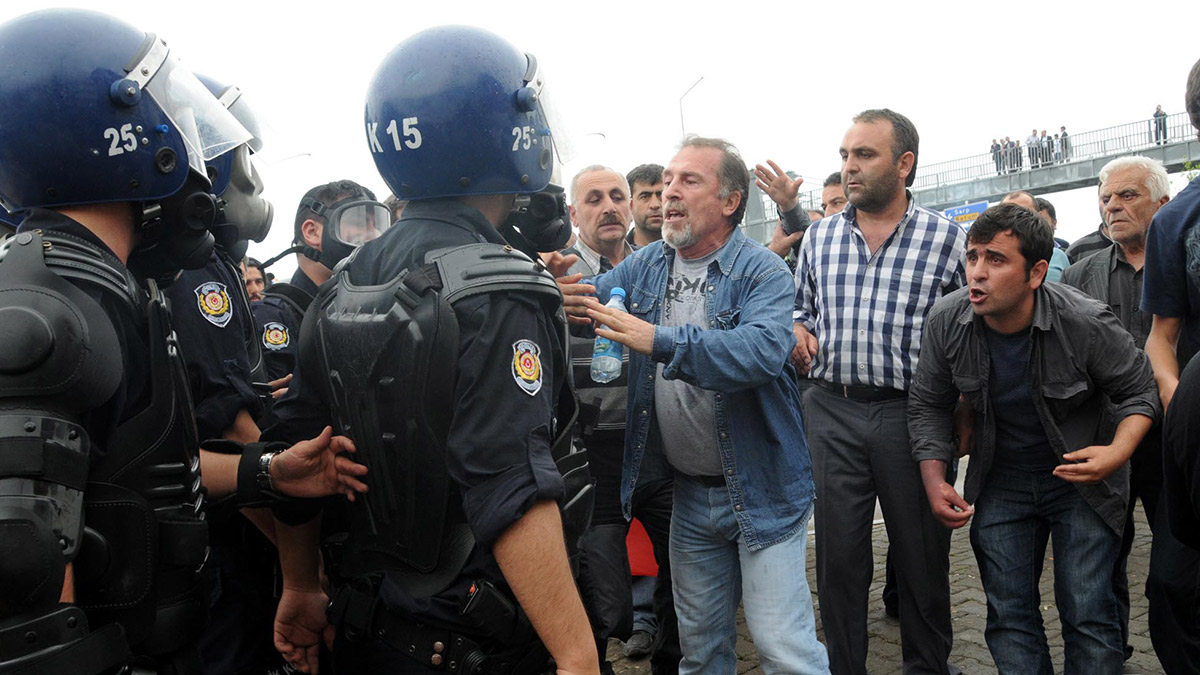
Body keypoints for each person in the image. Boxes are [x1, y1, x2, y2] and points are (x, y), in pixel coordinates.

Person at [0, 10, 365, 675]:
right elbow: (23, 555)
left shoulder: (110, 283)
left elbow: (132, 477)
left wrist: (267, 470)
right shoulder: (45, 310)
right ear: (111, 128)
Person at [266, 25, 598, 675]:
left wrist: (300, 584)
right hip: (477, 639)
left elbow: (297, 459)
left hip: (366, 632)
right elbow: (509, 482)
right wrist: (577, 653)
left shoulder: (338, 287)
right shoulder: (502, 286)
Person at [560, 136, 829, 674]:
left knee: (783, 649)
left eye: (688, 181)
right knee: (700, 653)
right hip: (690, 498)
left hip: (763, 490)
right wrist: (556, 288)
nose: (668, 194)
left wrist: (656, 339)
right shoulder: (650, 265)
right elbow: (592, 297)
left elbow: (758, 352)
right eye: (667, 181)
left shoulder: (762, 271)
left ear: (730, 202)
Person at [909, 202, 1159, 675]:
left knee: (1088, 614)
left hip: (1082, 484)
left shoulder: (1085, 321)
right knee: (1009, 617)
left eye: (997, 260)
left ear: (1037, 272)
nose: (977, 273)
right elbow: (926, 402)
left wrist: (1117, 452)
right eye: (973, 257)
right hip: (1000, 479)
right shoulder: (947, 319)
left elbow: (1140, 390)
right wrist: (934, 477)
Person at [793, 109, 964, 675]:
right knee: (838, 561)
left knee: (921, 559)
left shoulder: (948, 240)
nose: (849, 168)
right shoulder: (818, 238)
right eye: (845, 156)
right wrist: (798, 327)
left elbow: (968, 336)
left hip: (912, 417)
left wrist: (962, 419)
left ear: (904, 163)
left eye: (864, 155)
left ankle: (926, 667)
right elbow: (803, 310)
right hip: (831, 411)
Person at [1062, 155, 1200, 673]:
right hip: (1107, 448)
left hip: (1175, 445)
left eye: (1128, 196)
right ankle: (1108, 658)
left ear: (1164, 205)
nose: (1113, 206)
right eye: (1106, 198)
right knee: (1097, 574)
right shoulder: (1078, 274)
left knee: (1172, 575)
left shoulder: (1187, 259)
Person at [560, 165, 680, 675]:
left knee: (681, 576)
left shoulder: (654, 269)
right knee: (598, 594)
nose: (608, 206)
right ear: (573, 212)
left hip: (656, 448)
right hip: (592, 459)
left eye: (616, 196)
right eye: (593, 199)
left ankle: (671, 663)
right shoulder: (554, 277)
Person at [1139, 56, 1200, 674]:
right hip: (1196, 422)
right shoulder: (1177, 220)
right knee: (1173, 586)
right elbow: (1161, 337)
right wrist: (1178, 397)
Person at [252, 180, 387, 386]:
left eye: (376, 224)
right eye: (360, 221)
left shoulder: (376, 307)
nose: (375, 234)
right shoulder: (272, 316)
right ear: (312, 232)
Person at [1000, 191, 1069, 282]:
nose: (1016, 220)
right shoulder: (986, 257)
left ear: (1039, 217)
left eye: (1024, 214)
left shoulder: (1059, 257)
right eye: (1008, 215)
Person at [626, 163, 664, 248]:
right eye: (645, 197)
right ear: (630, 205)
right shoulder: (615, 256)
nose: (655, 205)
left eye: (661, 195)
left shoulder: (692, 252)